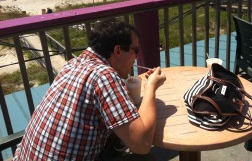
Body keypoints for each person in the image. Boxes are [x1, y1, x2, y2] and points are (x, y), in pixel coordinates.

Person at [13, 18, 166, 160]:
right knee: (148, 158)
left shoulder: (73, 64)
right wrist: (151, 87)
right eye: (136, 50)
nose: (137, 57)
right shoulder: (104, 76)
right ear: (118, 50)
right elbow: (142, 145)